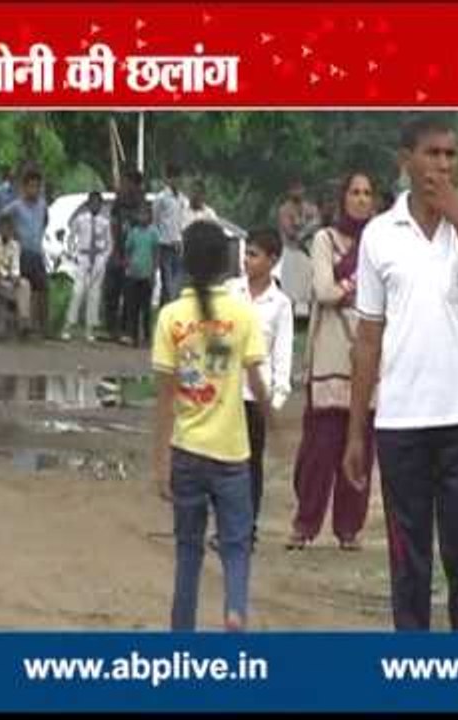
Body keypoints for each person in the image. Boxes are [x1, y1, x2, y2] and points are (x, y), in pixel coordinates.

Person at [343, 116, 458, 630]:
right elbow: (368, 339)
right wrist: (356, 433)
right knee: (408, 565)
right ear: (406, 160)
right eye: (432, 153)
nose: (443, 164)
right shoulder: (379, 234)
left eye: (451, 155)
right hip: (400, 425)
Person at [152, 220, 270, 632]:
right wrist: (269, 410)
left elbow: (165, 401)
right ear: (228, 264)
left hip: (186, 450)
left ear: (184, 263)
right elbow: (256, 381)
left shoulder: (171, 317)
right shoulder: (242, 315)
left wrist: (160, 463)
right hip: (232, 452)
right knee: (236, 545)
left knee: (188, 551)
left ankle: (182, 633)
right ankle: (235, 608)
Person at [287, 172, 378, 552]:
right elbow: (323, 291)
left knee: (362, 444)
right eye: (354, 192)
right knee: (320, 447)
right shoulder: (324, 240)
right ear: (342, 199)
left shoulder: (379, 241)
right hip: (329, 353)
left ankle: (348, 528)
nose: (361, 199)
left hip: (370, 354)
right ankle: (305, 524)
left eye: (367, 193)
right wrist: (360, 288)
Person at [224, 228, 294, 548]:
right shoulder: (230, 291)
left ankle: (247, 528)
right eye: (246, 253)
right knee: (224, 463)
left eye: (254, 254)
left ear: (272, 260)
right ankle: (226, 525)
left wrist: (277, 397)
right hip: (226, 391)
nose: (247, 260)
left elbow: (282, 353)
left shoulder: (280, 304)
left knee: (250, 465)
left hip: (257, 396)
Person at [0, 169, 49, 338]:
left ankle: (41, 327)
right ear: (24, 187)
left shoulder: (42, 204)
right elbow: (2, 218)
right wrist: (13, 235)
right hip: (22, 253)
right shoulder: (16, 206)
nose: (34, 190)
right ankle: (21, 325)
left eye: (37, 186)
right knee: (21, 287)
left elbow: (45, 220)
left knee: (41, 289)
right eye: (31, 186)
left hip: (36, 252)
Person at [62, 192, 112, 342]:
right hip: (83, 257)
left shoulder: (104, 222)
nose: (95, 205)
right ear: (88, 204)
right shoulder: (81, 219)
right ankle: (68, 325)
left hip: (98, 258)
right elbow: (71, 237)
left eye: (98, 203)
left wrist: (103, 259)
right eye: (92, 202)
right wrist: (73, 254)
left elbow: (109, 243)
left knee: (94, 294)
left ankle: (89, 329)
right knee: (78, 291)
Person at [105, 169, 145, 342]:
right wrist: (115, 249)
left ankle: (127, 330)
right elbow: (114, 225)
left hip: (134, 253)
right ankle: (111, 328)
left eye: (127, 182)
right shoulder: (118, 202)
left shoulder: (141, 205)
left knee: (130, 294)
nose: (124, 185)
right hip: (118, 250)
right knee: (111, 290)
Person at [277, 178, 321, 319]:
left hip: (308, 251)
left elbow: (317, 224)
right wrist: (304, 230)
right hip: (292, 251)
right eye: (294, 189)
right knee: (291, 287)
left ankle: (307, 318)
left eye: (299, 188)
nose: (297, 192)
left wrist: (305, 230)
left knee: (307, 284)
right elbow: (290, 232)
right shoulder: (284, 210)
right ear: (289, 192)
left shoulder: (311, 208)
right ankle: (290, 318)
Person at [122, 203, 160, 347]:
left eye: (146, 214)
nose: (143, 217)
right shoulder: (134, 232)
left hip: (147, 274)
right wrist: (127, 265)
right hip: (134, 274)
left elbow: (156, 252)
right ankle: (133, 336)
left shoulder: (153, 232)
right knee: (133, 307)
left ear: (150, 216)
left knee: (146, 308)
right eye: (140, 214)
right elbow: (128, 250)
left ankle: (147, 336)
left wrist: (154, 271)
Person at [153, 162, 189, 304]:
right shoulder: (161, 198)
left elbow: (182, 222)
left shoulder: (182, 199)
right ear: (167, 179)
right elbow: (156, 221)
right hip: (165, 245)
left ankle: (167, 309)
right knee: (167, 282)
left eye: (178, 178)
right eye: (173, 177)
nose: (176, 181)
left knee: (177, 283)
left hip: (179, 246)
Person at [0, 215, 32, 339]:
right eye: (3, 228)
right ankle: (19, 323)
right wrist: (5, 275)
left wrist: (15, 277)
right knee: (5, 285)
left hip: (8, 281)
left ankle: (24, 320)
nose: (6, 231)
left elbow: (15, 266)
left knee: (24, 284)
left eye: (9, 229)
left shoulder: (15, 245)